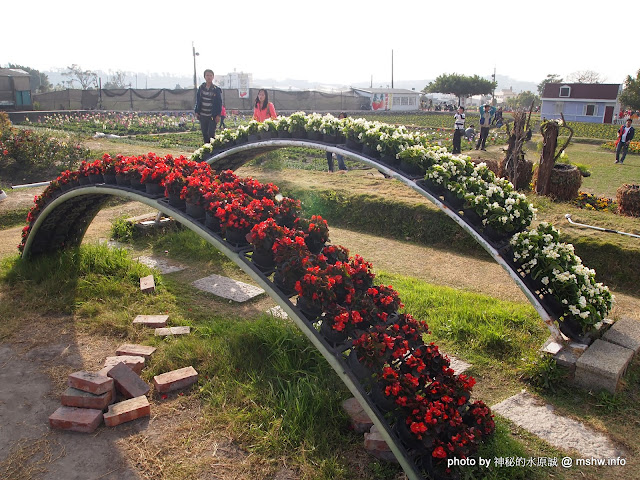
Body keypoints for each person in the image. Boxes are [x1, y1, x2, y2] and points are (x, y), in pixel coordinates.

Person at [194, 69, 223, 144]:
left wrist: (218, 115)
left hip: (212, 116)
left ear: (213, 77)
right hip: (203, 115)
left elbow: (219, 103)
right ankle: (206, 150)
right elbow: (198, 100)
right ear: (204, 77)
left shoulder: (216, 89)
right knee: (204, 133)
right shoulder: (201, 88)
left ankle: (213, 150)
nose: (209, 77)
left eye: (210, 75)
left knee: (211, 133)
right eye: (207, 75)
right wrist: (197, 111)